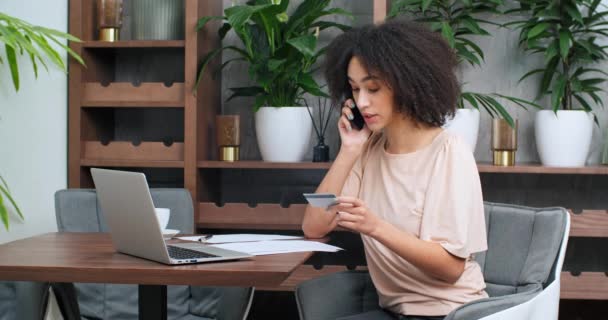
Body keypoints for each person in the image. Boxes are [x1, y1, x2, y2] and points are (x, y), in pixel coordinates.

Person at [302, 19, 488, 320]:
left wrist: (375, 226)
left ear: (406, 83)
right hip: (393, 312)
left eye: (373, 88)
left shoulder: (449, 151)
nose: (362, 102)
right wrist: (349, 150)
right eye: (354, 89)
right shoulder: (367, 150)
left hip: (452, 313)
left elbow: (450, 268)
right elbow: (314, 226)